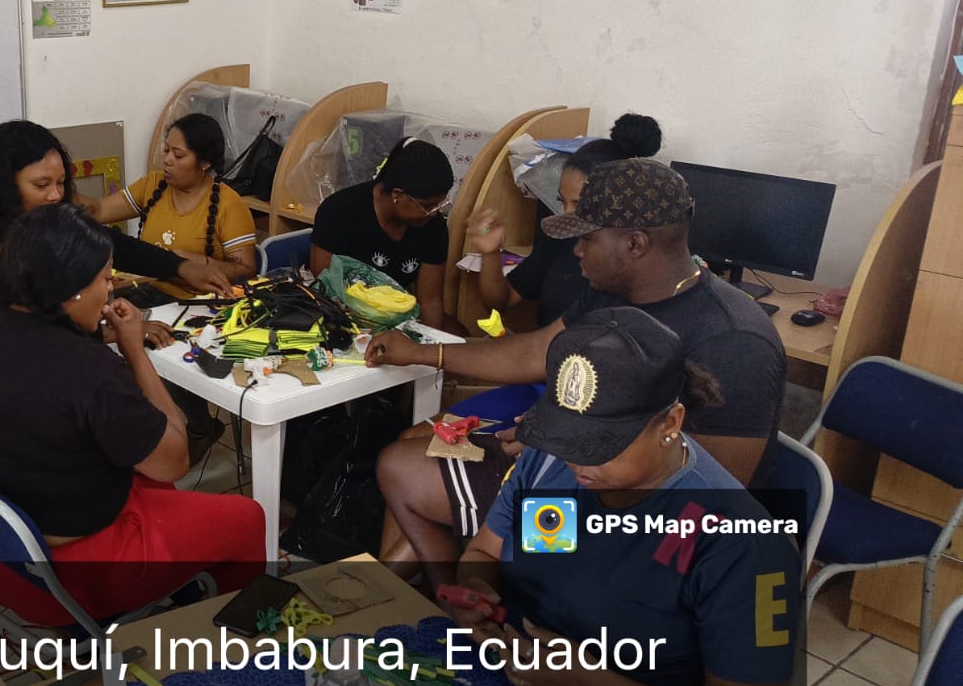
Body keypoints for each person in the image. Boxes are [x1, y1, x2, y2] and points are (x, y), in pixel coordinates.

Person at [440, 308, 798, 686]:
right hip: (518, 685)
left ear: (670, 423)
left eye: (600, 445)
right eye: (567, 437)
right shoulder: (552, 464)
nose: (576, 460)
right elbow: (485, 551)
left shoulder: (738, 544)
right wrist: (476, 592)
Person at [369, 158, 784, 578]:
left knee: (429, 490)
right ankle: (438, 600)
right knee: (401, 465)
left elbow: (709, 497)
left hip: (633, 519)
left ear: (635, 244)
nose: (577, 250)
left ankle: (460, 593)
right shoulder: (614, 291)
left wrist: (559, 449)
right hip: (571, 466)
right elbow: (533, 353)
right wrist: (423, 352)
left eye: (587, 238)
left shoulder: (734, 342)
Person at [0, 204, 265, 625]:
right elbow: (175, 460)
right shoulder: (87, 370)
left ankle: (182, 588)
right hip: (72, 579)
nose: (111, 290)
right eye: (106, 278)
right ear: (72, 288)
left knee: (149, 475)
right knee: (248, 517)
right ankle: (226, 637)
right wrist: (134, 350)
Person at [0, 120, 234, 447]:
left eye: (60, 182)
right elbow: (26, 323)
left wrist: (181, 267)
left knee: (97, 428)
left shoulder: (43, 218)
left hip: (26, 367)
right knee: (55, 444)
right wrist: (116, 332)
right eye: (41, 184)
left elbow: (111, 244)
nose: (56, 195)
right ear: (3, 185)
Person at [468, 113, 663, 328]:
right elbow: (503, 301)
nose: (567, 213)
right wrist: (490, 253)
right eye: (562, 201)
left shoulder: (635, 261)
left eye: (579, 204)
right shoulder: (561, 236)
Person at [87, 113, 258, 300]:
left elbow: (247, 272)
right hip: (147, 292)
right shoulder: (153, 184)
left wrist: (195, 262)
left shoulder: (230, 206)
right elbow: (98, 211)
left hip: (196, 303)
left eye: (178, 155)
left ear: (205, 163)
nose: (167, 160)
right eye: (166, 150)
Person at [310, 138, 455, 329]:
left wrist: (431, 343)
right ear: (397, 195)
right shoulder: (340, 211)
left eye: (439, 205)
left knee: (459, 334)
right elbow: (326, 287)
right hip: (342, 314)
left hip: (396, 318)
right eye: (427, 206)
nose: (433, 213)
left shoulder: (432, 226)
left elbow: (430, 301)